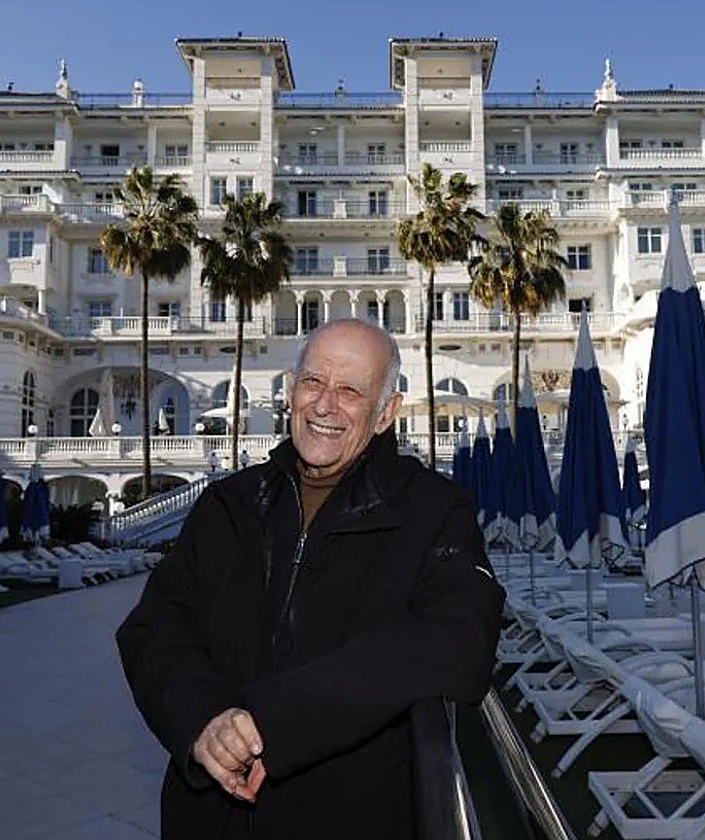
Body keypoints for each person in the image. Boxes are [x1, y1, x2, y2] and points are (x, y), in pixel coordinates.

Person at [117, 319, 503, 839]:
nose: (324, 405)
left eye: (350, 390)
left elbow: (460, 638)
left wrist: (275, 723)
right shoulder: (228, 504)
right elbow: (155, 627)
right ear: (291, 390)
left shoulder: (433, 510)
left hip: (349, 814)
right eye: (313, 382)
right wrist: (204, 723)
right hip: (210, 815)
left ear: (386, 412)